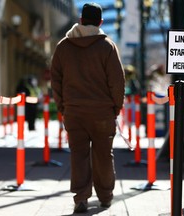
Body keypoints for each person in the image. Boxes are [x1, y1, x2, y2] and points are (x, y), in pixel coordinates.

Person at [50, 2, 125, 213]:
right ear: (101, 22)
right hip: (102, 113)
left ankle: (81, 198)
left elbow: (56, 80)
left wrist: (62, 106)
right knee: (103, 155)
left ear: (81, 20)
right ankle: (106, 197)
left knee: (79, 155)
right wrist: (116, 108)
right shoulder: (107, 46)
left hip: (74, 112)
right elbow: (117, 82)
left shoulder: (63, 47)